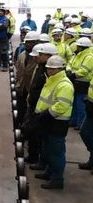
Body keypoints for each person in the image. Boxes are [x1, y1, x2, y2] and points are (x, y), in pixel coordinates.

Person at [32, 55, 74, 189]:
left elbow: (62, 105)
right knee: (48, 148)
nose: (49, 71)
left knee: (56, 151)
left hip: (57, 122)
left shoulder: (64, 85)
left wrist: (47, 113)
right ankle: (49, 172)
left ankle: (57, 179)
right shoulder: (52, 80)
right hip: (48, 120)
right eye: (49, 68)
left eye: (52, 69)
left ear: (60, 69)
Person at [67, 37, 93, 129]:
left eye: (78, 46)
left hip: (83, 83)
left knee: (80, 104)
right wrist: (69, 71)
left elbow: (84, 71)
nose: (76, 47)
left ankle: (80, 123)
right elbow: (70, 63)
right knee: (74, 103)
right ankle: (73, 121)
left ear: (82, 47)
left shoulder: (89, 57)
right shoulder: (77, 54)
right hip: (75, 81)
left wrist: (73, 74)